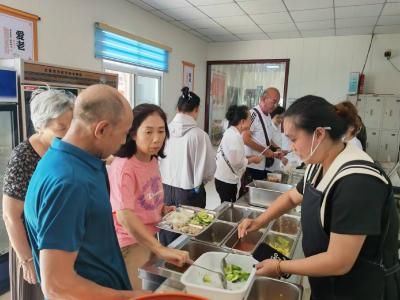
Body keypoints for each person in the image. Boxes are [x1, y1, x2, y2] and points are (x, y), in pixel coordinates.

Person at [238, 95, 400, 300]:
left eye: (293, 138)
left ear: (319, 134)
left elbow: (339, 260)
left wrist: (279, 266)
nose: (291, 145)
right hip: (327, 284)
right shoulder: (318, 163)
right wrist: (259, 221)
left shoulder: (358, 182)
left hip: (360, 289)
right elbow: (291, 198)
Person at [24, 84, 146, 299]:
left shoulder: (68, 159)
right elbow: (57, 285)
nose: (123, 142)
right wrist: (127, 297)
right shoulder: (70, 182)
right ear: (101, 129)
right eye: (124, 133)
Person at [108, 104, 192, 290]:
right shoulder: (124, 167)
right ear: (133, 133)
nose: (157, 138)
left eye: (161, 131)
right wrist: (160, 248)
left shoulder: (152, 159)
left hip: (151, 236)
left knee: (151, 288)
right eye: (148, 132)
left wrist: (161, 209)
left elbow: (147, 197)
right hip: (130, 243)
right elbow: (125, 216)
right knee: (135, 292)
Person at [2, 89, 74, 300]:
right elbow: (10, 215)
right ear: (40, 126)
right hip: (31, 246)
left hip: (59, 243)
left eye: (72, 125)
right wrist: (27, 260)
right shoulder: (23, 157)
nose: (69, 133)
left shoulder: (63, 150)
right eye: (61, 128)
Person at [159, 87, 216, 246]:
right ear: (196, 110)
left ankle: (165, 265)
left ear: (177, 109)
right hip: (190, 193)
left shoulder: (163, 131)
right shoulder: (200, 136)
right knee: (188, 234)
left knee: (166, 230)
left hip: (163, 190)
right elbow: (210, 170)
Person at [214, 105, 262, 203]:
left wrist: (249, 157)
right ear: (242, 122)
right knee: (227, 207)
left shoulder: (231, 132)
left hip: (223, 178)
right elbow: (236, 162)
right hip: (227, 181)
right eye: (249, 118)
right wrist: (253, 159)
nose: (251, 121)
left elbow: (233, 156)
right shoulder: (234, 136)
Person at [243, 87, 285, 181]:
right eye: (273, 102)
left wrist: (276, 148)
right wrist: (266, 151)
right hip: (252, 166)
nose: (275, 105)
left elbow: (266, 138)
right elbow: (245, 138)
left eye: (277, 103)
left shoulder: (268, 115)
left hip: (261, 165)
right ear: (263, 99)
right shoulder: (253, 114)